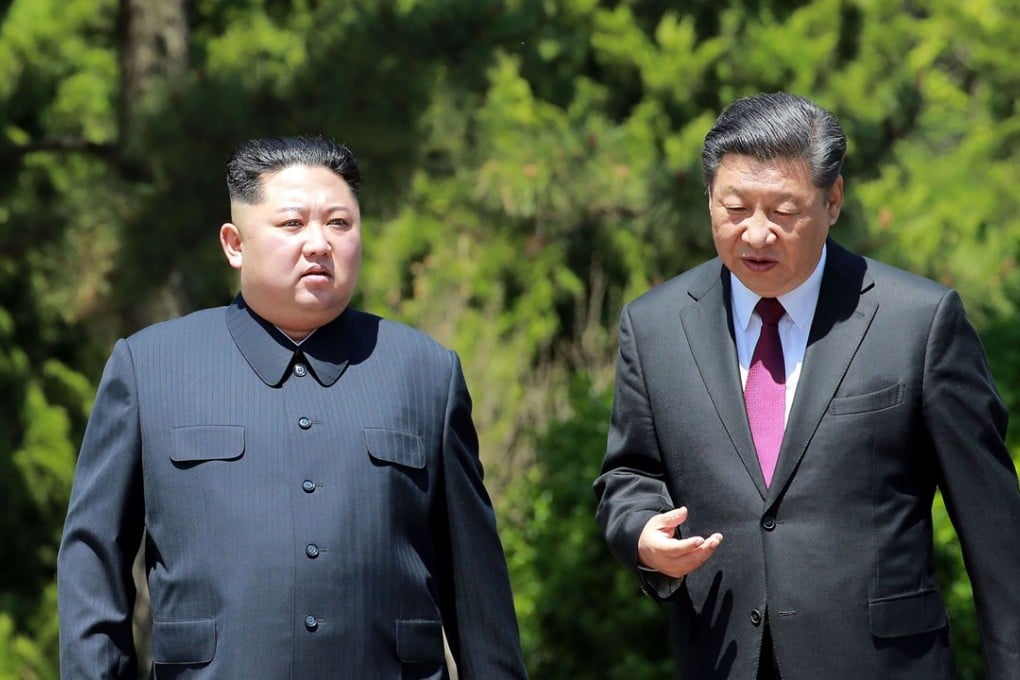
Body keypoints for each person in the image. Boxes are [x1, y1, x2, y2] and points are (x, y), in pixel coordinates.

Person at [58, 136, 528, 679]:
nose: (319, 244)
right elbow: (93, 562)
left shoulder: (424, 371)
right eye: (291, 224)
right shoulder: (151, 366)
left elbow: (478, 588)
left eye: (339, 223)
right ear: (235, 244)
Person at [593, 92, 1020, 679]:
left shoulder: (917, 321)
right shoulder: (655, 326)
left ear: (833, 199)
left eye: (784, 211)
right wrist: (642, 533)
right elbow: (629, 474)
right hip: (721, 659)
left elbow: (997, 535)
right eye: (735, 208)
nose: (757, 234)